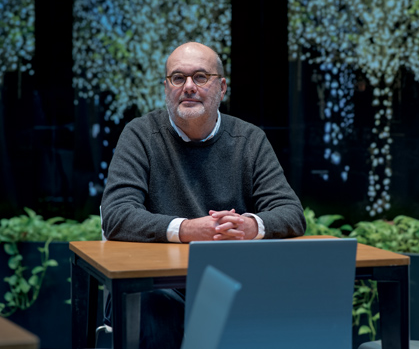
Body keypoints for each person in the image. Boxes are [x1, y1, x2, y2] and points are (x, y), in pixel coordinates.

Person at [100, 42, 306, 349]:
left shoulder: (249, 139)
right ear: (166, 88)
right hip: (154, 284)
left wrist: (249, 226)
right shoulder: (140, 134)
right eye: (178, 78)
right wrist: (187, 230)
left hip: (228, 284)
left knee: (288, 305)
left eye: (200, 77)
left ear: (222, 88)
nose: (188, 87)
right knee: (156, 307)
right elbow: (116, 214)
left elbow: (290, 212)